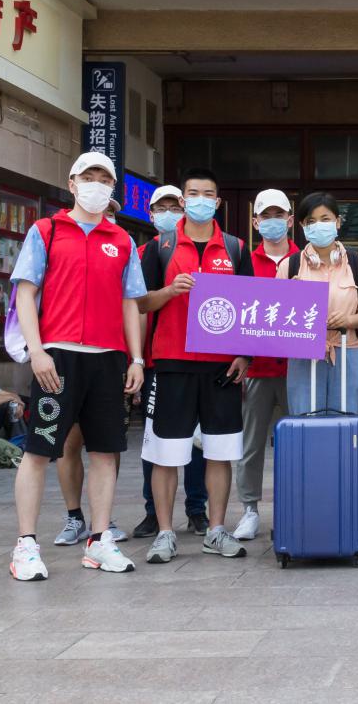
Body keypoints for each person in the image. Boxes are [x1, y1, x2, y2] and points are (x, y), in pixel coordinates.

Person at [8, 151, 146, 580]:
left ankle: (99, 541)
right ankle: (25, 545)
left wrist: (136, 358)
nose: (96, 185)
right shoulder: (46, 231)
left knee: (105, 451)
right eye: (89, 177)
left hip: (108, 359)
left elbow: (130, 302)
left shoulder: (121, 240)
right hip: (58, 357)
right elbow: (26, 293)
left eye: (105, 178)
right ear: (72, 183)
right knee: (38, 450)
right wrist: (37, 351)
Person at [138, 168, 253, 564]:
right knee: (166, 453)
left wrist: (244, 355)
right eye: (194, 193)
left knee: (220, 453)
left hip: (222, 368)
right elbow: (140, 302)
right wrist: (170, 291)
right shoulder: (160, 247)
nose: (201, 200)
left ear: (217, 202)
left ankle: (216, 530)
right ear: (183, 200)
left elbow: (250, 307)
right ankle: (165, 533)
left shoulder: (236, 248)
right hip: (172, 363)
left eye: (208, 194)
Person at [133, 185, 209, 539]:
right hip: (157, 361)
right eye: (160, 208)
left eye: (173, 207)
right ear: (150, 214)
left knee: (197, 441)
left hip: (201, 361)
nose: (168, 214)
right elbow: (136, 308)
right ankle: (153, 511)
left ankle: (197, 509)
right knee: (157, 442)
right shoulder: (144, 252)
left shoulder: (207, 248)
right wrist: (135, 360)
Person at [231, 189, 301, 542]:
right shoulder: (243, 259)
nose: (273, 221)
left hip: (297, 369)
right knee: (251, 445)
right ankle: (249, 509)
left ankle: (296, 505)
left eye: (279, 215)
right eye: (266, 215)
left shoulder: (305, 260)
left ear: (290, 220)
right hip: (256, 370)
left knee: (297, 442)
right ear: (255, 222)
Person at [280, 192, 358, 416]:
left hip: (348, 353)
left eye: (325, 219)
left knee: (349, 423)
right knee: (305, 421)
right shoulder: (290, 266)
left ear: (337, 222)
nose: (318, 225)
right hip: (304, 359)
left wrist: (348, 320)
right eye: (311, 221)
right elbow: (279, 321)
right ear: (302, 226)